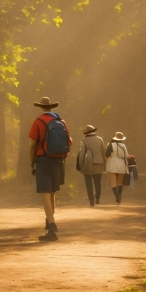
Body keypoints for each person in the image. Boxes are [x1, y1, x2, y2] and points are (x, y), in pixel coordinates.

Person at [28, 96, 72, 242]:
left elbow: (32, 144)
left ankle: (52, 226)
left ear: (40, 107)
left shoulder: (38, 121)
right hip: (59, 161)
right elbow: (69, 142)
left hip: (44, 160)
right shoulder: (62, 122)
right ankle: (49, 224)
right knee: (52, 193)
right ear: (51, 108)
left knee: (45, 194)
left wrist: (31, 162)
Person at [76, 125, 106, 206]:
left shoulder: (83, 140)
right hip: (99, 163)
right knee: (97, 182)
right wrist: (104, 164)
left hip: (87, 164)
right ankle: (97, 198)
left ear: (86, 132)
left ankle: (91, 200)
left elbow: (82, 154)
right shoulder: (100, 139)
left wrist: (80, 165)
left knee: (88, 183)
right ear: (94, 131)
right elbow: (103, 152)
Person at [105, 131, 129, 204]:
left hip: (112, 164)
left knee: (113, 183)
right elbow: (126, 156)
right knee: (119, 182)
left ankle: (117, 196)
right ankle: (120, 197)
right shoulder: (123, 146)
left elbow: (106, 155)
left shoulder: (111, 145)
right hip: (121, 164)